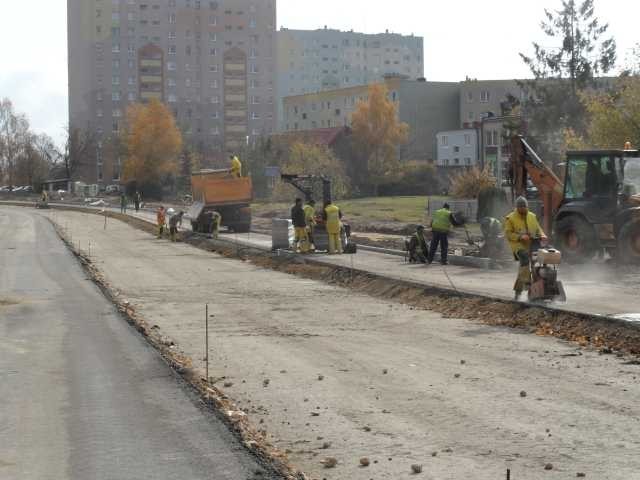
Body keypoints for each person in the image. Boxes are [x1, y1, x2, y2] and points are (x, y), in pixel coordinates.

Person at [504, 196, 547, 300]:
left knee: (539, 261)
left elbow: (538, 228)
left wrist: (543, 235)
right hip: (518, 245)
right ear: (517, 208)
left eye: (525, 208)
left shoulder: (532, 216)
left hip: (532, 243)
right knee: (524, 258)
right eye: (521, 208)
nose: (524, 210)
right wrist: (520, 236)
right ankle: (526, 285)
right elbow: (508, 234)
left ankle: (539, 286)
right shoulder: (510, 218)